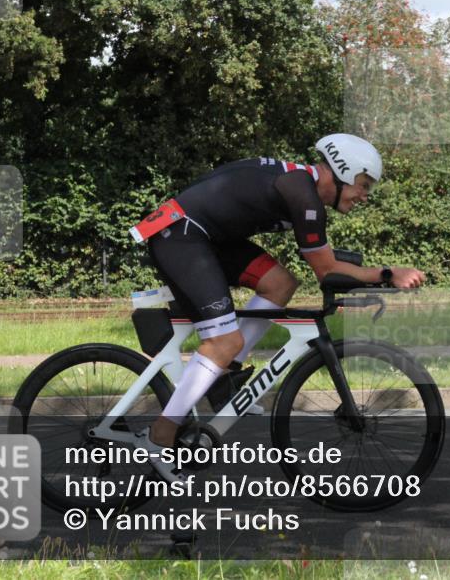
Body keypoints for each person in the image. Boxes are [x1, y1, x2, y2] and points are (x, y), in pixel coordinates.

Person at [132, 133, 425, 481]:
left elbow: (325, 264)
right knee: (224, 342)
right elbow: (327, 269)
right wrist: (388, 274)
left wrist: (370, 277)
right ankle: (160, 435)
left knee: (280, 284)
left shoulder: (302, 187)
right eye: (363, 185)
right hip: (182, 236)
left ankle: (222, 380)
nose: (365, 195)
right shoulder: (304, 195)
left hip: (202, 235)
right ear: (343, 171)